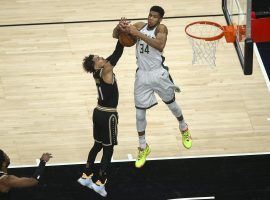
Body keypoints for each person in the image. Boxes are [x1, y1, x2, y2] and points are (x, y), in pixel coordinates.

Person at [113, 6, 192, 169]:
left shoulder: (161, 28)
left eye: (155, 17)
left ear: (160, 19)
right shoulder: (139, 25)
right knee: (139, 114)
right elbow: (116, 36)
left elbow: (160, 45)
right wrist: (119, 28)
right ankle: (143, 147)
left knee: (172, 105)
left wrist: (138, 34)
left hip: (158, 74)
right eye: (150, 15)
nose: (151, 18)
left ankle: (183, 127)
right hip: (142, 75)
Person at [77, 40, 124, 197]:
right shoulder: (106, 71)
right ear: (96, 64)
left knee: (97, 145)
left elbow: (110, 58)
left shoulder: (97, 72)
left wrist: (120, 34)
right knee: (108, 149)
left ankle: (86, 176)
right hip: (108, 115)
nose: (102, 57)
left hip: (98, 112)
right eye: (98, 58)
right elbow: (116, 55)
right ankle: (100, 182)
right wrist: (122, 39)